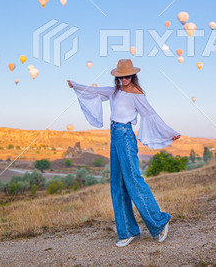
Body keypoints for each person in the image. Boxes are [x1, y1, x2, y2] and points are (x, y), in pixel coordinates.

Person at [67, 59, 181, 247]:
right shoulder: (114, 91)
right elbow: (94, 91)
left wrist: (169, 133)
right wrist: (75, 85)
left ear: (133, 75)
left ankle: (159, 223)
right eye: (122, 76)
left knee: (133, 180)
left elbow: (151, 115)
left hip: (126, 136)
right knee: (117, 184)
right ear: (117, 76)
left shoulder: (136, 94)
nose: (125, 79)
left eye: (128, 75)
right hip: (114, 135)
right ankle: (128, 231)